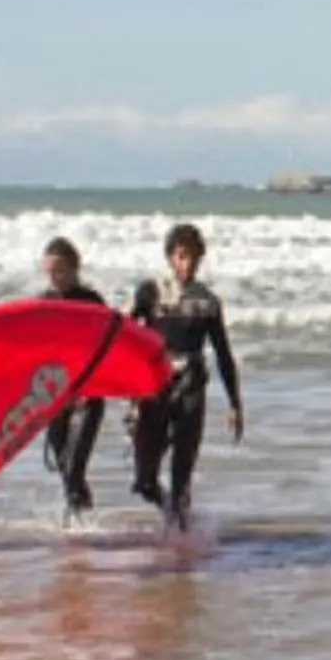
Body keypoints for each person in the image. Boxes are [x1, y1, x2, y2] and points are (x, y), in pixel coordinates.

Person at [128, 221, 242, 526]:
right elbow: (124, 336)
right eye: (180, 256)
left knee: (182, 472)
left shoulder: (207, 303)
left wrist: (234, 404)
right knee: (144, 481)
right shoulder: (150, 292)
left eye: (192, 257)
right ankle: (172, 515)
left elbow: (223, 354)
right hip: (154, 387)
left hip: (192, 386)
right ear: (169, 257)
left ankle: (180, 539)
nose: (186, 264)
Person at [34, 237, 111, 519]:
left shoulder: (92, 302)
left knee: (75, 467)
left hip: (88, 397)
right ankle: (82, 527)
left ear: (75, 268)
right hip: (55, 398)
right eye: (50, 272)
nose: (55, 278)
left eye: (61, 271)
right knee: (65, 469)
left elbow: (109, 347)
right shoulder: (43, 304)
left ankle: (76, 525)